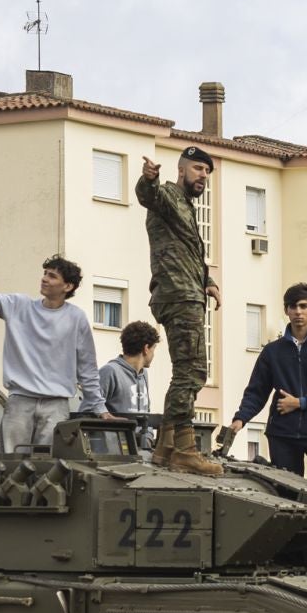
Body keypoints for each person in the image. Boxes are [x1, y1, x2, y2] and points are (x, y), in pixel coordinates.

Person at [0, 242, 105, 452]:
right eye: (45, 273)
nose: (44, 278)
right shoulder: (18, 306)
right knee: (10, 464)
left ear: (68, 286)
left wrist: (99, 406)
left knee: (48, 465)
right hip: (20, 400)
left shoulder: (76, 318)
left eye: (52, 276)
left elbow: (87, 368)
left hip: (56, 405)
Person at [136, 146, 222, 475]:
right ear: (182, 169)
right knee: (191, 372)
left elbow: (188, 249)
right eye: (198, 168)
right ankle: (185, 449)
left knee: (185, 371)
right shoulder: (169, 195)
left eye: (207, 172)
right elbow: (149, 195)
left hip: (186, 290)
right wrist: (149, 179)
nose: (203, 176)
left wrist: (208, 280)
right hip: (178, 294)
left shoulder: (185, 207)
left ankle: (166, 446)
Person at [229, 283, 307, 489]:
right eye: (293, 307)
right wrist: (240, 419)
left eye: (303, 306)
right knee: (287, 492)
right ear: (286, 310)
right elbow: (257, 391)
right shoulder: (272, 352)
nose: (298, 312)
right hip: (282, 434)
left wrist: (300, 403)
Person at [100, 321, 159, 451]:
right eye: (154, 349)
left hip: (141, 450)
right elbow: (88, 408)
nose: (154, 354)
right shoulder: (110, 371)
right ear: (146, 348)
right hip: (115, 451)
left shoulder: (144, 375)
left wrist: (148, 436)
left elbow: (146, 414)